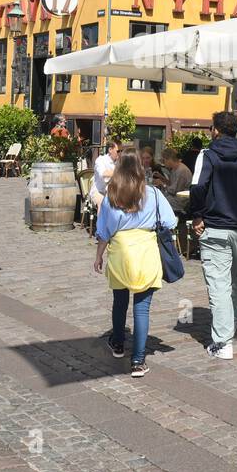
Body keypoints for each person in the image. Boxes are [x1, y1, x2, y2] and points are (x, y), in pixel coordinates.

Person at [189, 110, 237, 360]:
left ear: (216, 130)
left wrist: (197, 215)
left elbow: (198, 186)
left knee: (219, 284)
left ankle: (222, 343)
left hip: (217, 228)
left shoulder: (207, 155)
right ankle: (234, 319)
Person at [95, 150, 176, 378]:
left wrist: (98, 256)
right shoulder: (153, 194)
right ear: (141, 169)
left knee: (119, 302)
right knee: (142, 308)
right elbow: (170, 221)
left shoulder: (111, 196)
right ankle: (138, 360)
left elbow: (103, 231)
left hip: (120, 252)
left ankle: (118, 343)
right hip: (146, 252)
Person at [89, 137, 120, 208]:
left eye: (121, 151)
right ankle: (101, 219)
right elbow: (104, 174)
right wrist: (121, 172)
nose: (120, 153)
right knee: (102, 204)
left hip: (114, 192)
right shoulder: (101, 160)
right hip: (100, 191)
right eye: (118, 151)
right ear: (110, 150)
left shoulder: (120, 162)